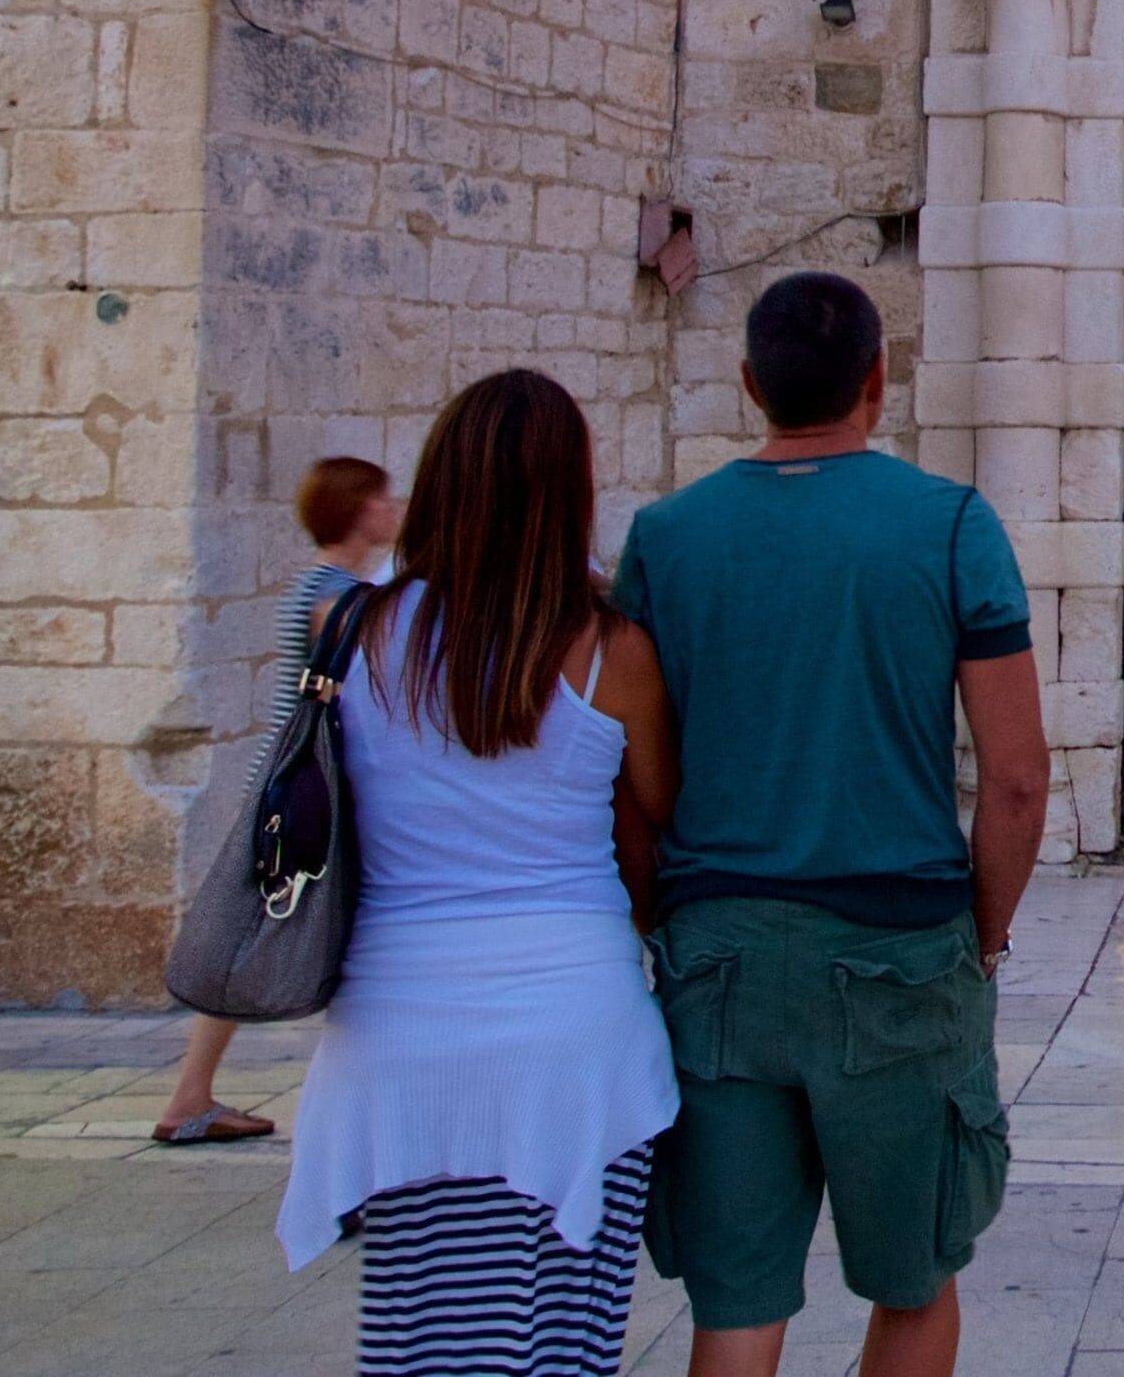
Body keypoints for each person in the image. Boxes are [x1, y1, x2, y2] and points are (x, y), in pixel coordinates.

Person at [615, 272, 1050, 1377]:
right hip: (898, 954)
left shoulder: (666, 539)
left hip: (721, 960)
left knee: (737, 1300)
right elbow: (1016, 780)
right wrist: (984, 936)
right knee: (914, 1283)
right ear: (879, 380)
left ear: (750, 383)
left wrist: (680, 900)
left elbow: (634, 769)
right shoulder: (949, 526)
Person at [274, 373, 681, 1377]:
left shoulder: (353, 633)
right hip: (574, 1034)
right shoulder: (611, 650)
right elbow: (665, 818)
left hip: (401, 1026)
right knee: (564, 1339)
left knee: (425, 1332)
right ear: (571, 492)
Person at [159, 455, 402, 1147]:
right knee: (279, 937)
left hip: (298, 790)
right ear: (357, 509)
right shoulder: (334, 594)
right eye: (382, 499)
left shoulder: (339, 586)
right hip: (304, 797)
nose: (394, 508)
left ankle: (191, 1096)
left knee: (259, 935)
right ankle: (206, 1101)